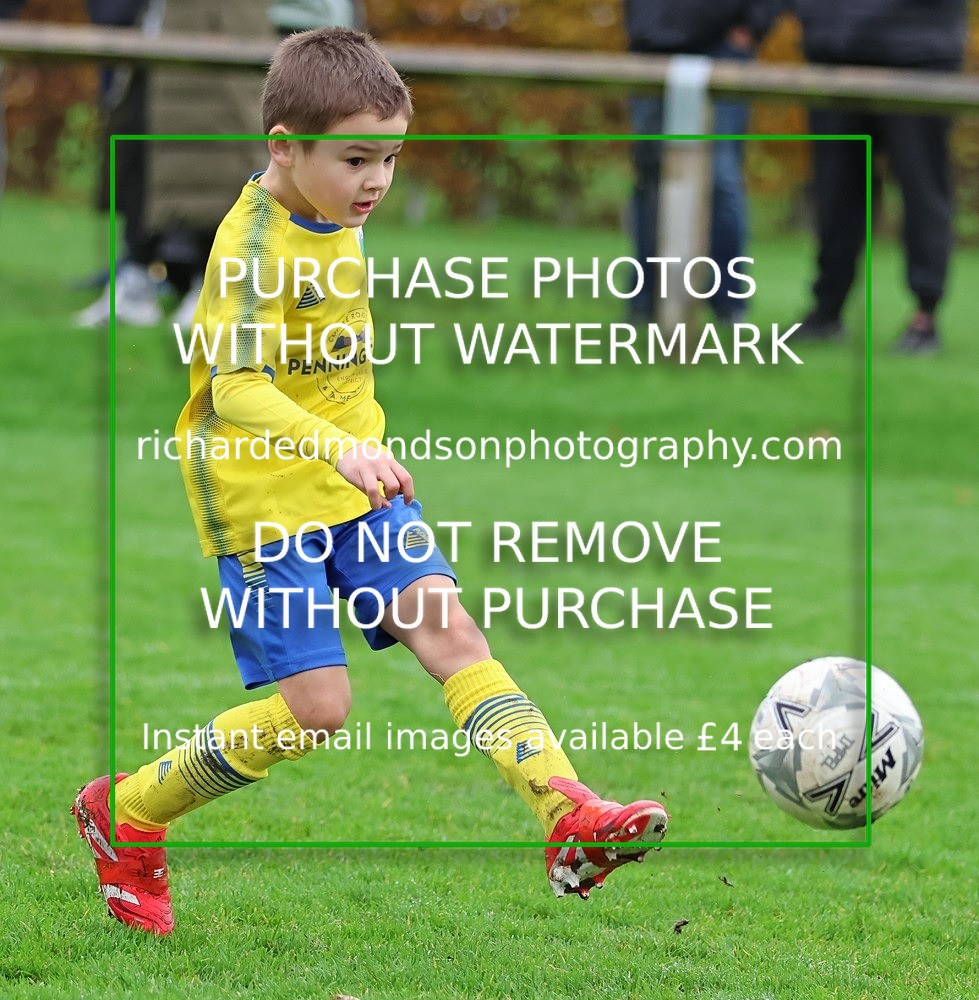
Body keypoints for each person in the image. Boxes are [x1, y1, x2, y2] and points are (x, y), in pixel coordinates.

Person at [71, 27, 669, 935]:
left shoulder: (337, 212)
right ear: (284, 147)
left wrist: (361, 451)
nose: (377, 180)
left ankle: (566, 813)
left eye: (389, 156)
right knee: (318, 710)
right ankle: (130, 812)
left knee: (450, 631)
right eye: (356, 158)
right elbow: (232, 388)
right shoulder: (251, 250)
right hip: (262, 499)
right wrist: (335, 447)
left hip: (358, 488)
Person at [793, 0, 967, 353]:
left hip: (919, 54)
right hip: (835, 53)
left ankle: (925, 316)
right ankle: (827, 311)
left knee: (922, 192)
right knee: (835, 192)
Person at [623, 0, 782, 322]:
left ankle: (727, 302)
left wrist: (754, 26)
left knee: (721, 180)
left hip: (722, 50)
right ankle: (645, 300)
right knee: (650, 179)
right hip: (651, 48)